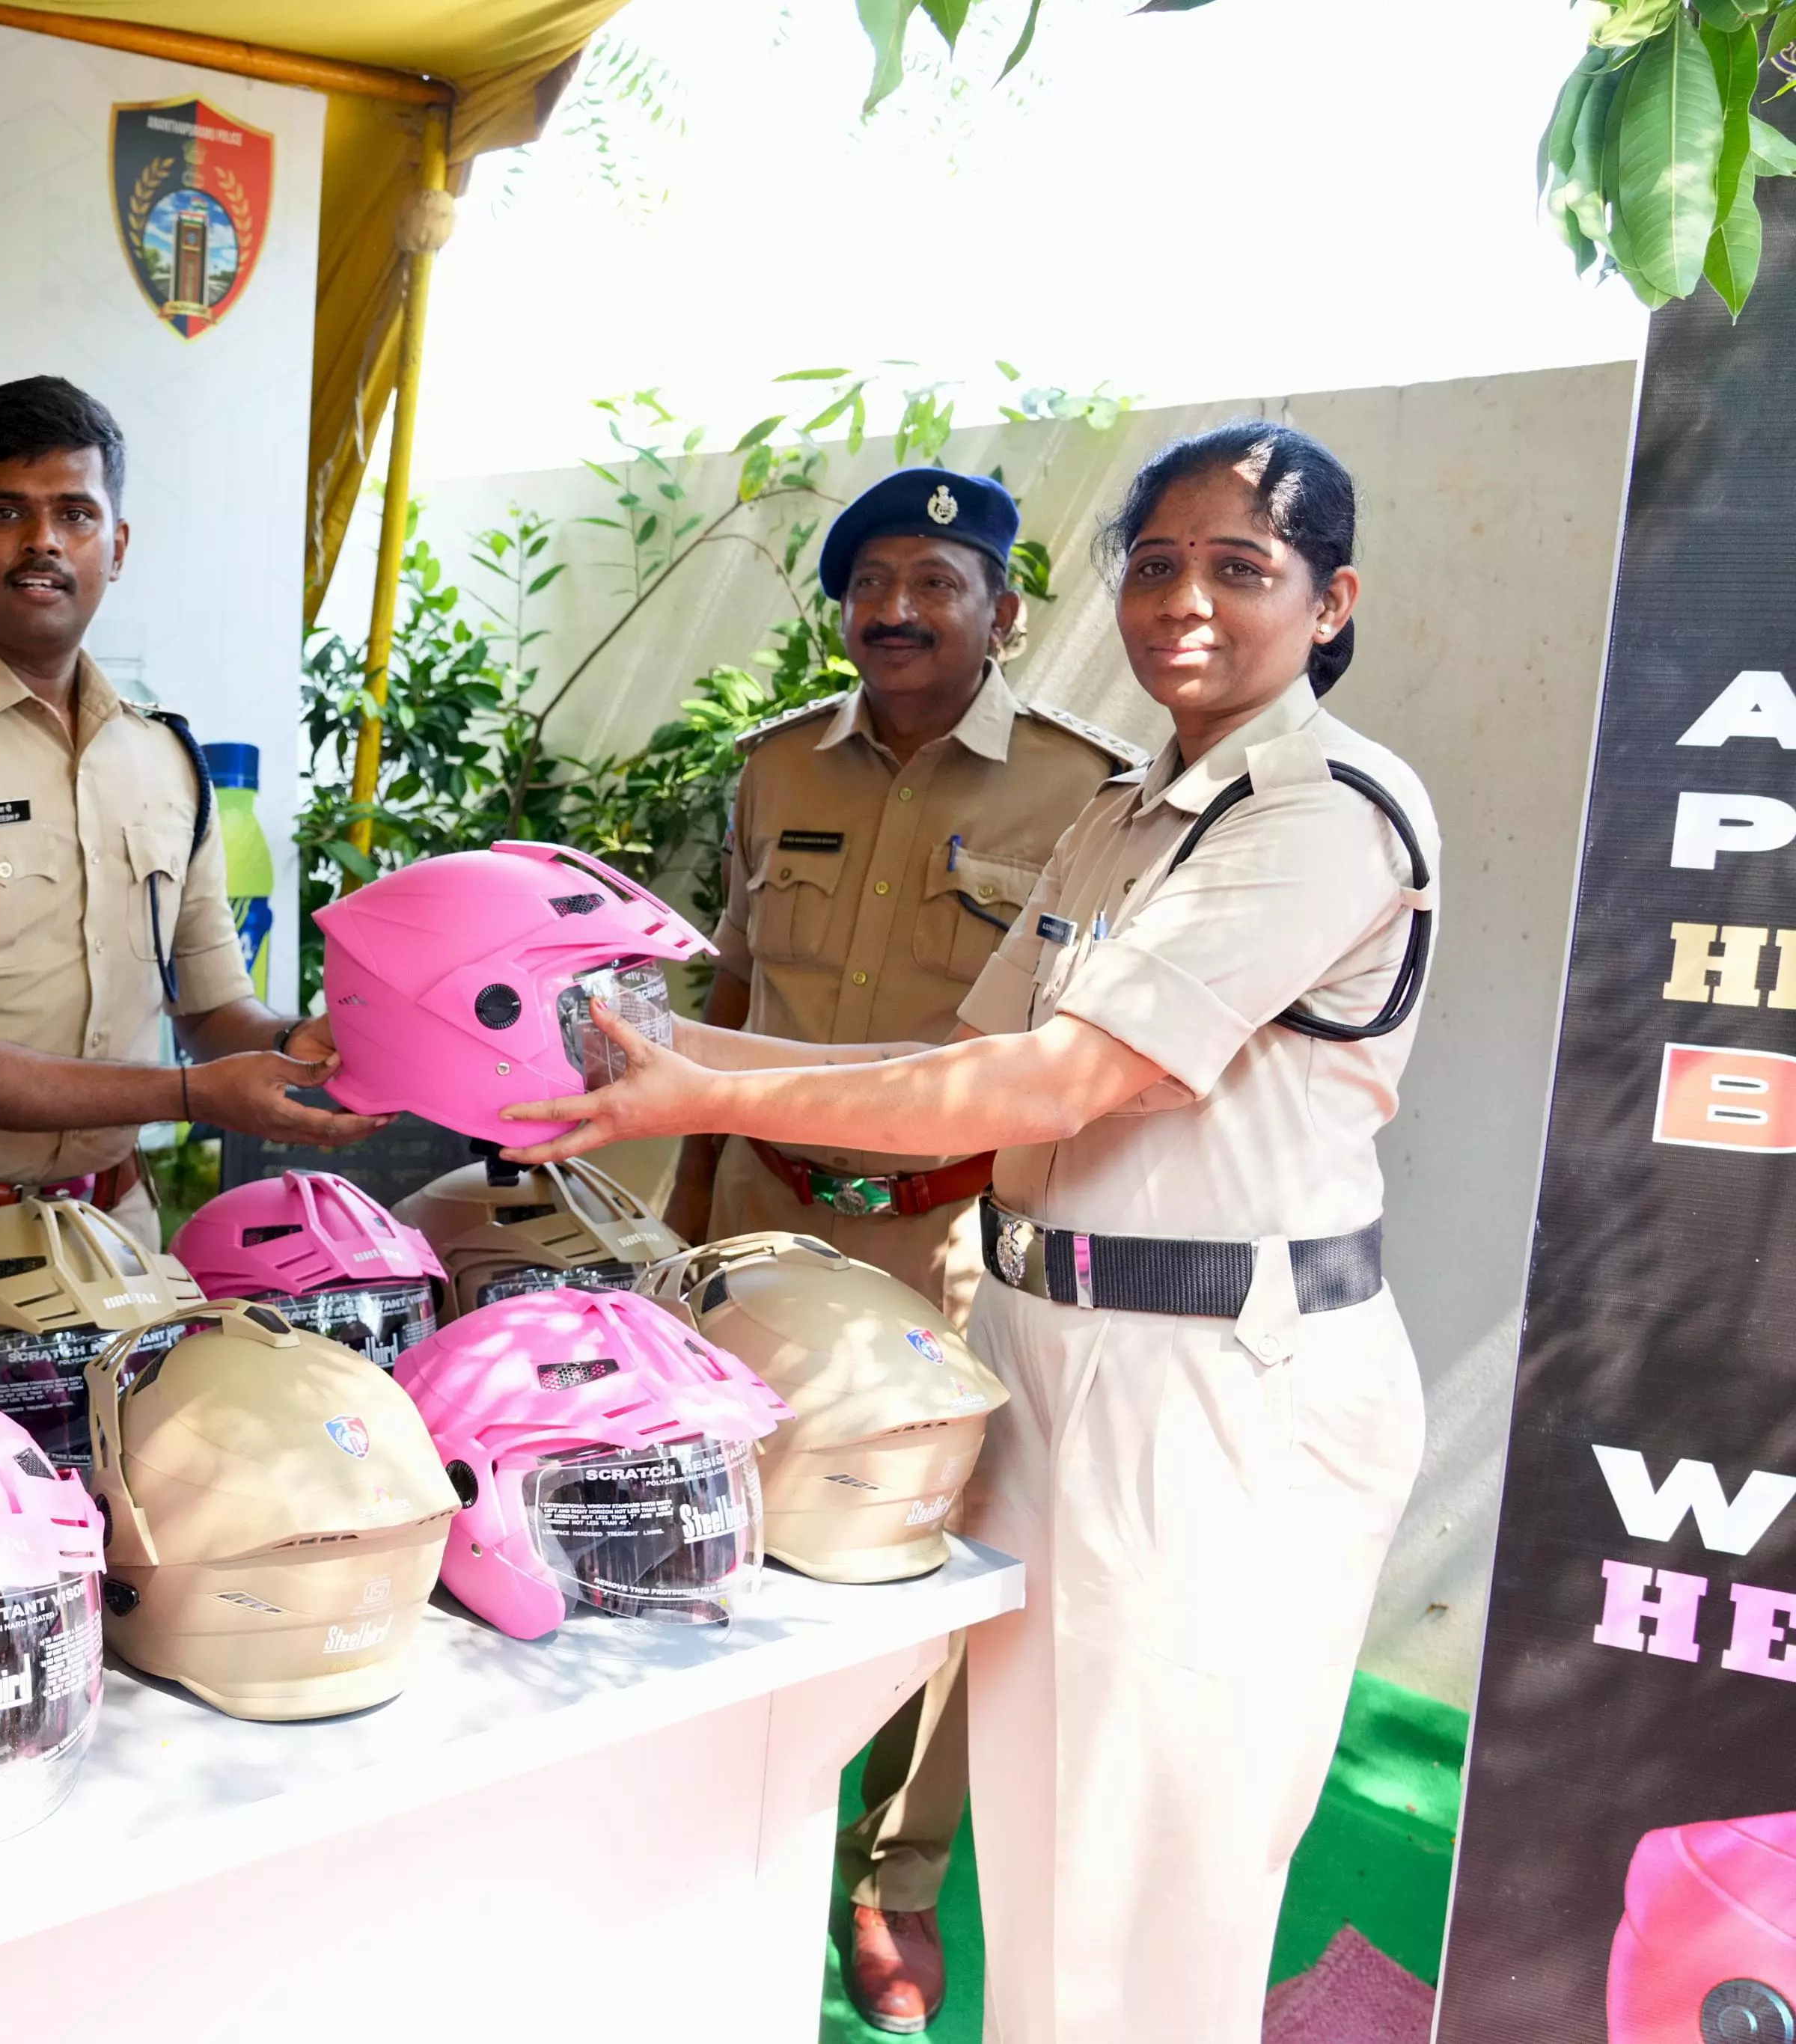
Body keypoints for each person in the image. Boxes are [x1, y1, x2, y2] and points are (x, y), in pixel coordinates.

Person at [503, 423, 1434, 2044]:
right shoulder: (1132, 812)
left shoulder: (1324, 810)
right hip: (1050, 1348)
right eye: (1154, 564)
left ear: (1329, 600)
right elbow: (923, 1057)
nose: (1183, 603)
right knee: (1056, 1842)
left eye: (1239, 567)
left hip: (1218, 1385)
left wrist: (677, 1097)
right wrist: (679, 1064)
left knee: (1164, 1880)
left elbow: (1065, 1079)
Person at [668, 467, 1137, 2033]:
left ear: (1003, 610)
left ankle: (892, 1877)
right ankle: (712, 1826)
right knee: (715, 1513)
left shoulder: (1086, 793)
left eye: (933, 580)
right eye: (867, 581)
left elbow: (1080, 1055)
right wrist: (676, 1222)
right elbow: (723, 1001)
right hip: (755, 1208)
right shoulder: (769, 769)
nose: (893, 610)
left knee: (924, 1550)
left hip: (944, 1229)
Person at [0, 376, 381, 1403]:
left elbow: (212, 1012)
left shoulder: (165, 757)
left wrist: (314, 1048)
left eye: (74, 513)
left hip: (114, 1246)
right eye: (5, 511)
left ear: (117, 544)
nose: (42, 542)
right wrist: (190, 1098)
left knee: (123, 1543)